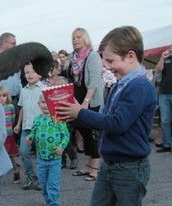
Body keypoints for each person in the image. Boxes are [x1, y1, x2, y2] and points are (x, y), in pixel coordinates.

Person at [56, 25, 157, 206]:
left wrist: (80, 112)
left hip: (129, 168)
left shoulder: (139, 86)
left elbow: (117, 123)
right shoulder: (122, 83)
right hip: (110, 163)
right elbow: (107, 117)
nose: (107, 67)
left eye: (110, 61)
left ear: (131, 56)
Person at [66, 27, 104, 182]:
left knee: (92, 134)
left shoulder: (93, 55)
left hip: (90, 99)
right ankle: (87, 165)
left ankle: (95, 168)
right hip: (76, 99)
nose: (75, 40)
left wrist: (86, 102)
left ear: (85, 38)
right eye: (73, 37)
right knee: (83, 132)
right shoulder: (71, 57)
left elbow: (94, 80)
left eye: (79, 37)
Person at [26, 94, 69, 206]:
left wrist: (61, 147)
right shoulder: (37, 120)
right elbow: (33, 132)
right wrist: (30, 137)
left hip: (55, 159)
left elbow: (66, 135)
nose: (45, 105)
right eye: (43, 102)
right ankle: (48, 202)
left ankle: (54, 203)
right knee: (43, 184)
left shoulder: (57, 118)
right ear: (39, 104)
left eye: (48, 102)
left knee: (53, 184)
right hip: (41, 159)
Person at [14, 63, 46, 190]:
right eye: (27, 72)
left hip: (41, 128)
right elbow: (22, 109)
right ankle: (31, 175)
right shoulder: (23, 90)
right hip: (26, 128)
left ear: (40, 74)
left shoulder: (44, 89)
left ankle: (42, 178)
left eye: (32, 72)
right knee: (23, 152)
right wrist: (18, 124)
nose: (29, 75)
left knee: (40, 154)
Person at [0, 86, 21, 184]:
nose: (2, 98)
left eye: (4, 96)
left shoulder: (10, 107)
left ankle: (16, 171)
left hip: (8, 134)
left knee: (10, 155)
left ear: (8, 97)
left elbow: (12, 119)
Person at [0, 32, 22, 107]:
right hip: (0, 102)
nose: (15, 46)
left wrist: (21, 98)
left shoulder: (16, 60)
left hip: (15, 101)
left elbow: (18, 80)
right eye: (13, 43)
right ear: (5, 43)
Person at [155, 46, 172, 153]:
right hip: (164, 93)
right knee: (165, 120)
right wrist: (162, 58)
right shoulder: (166, 58)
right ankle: (167, 145)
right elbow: (157, 71)